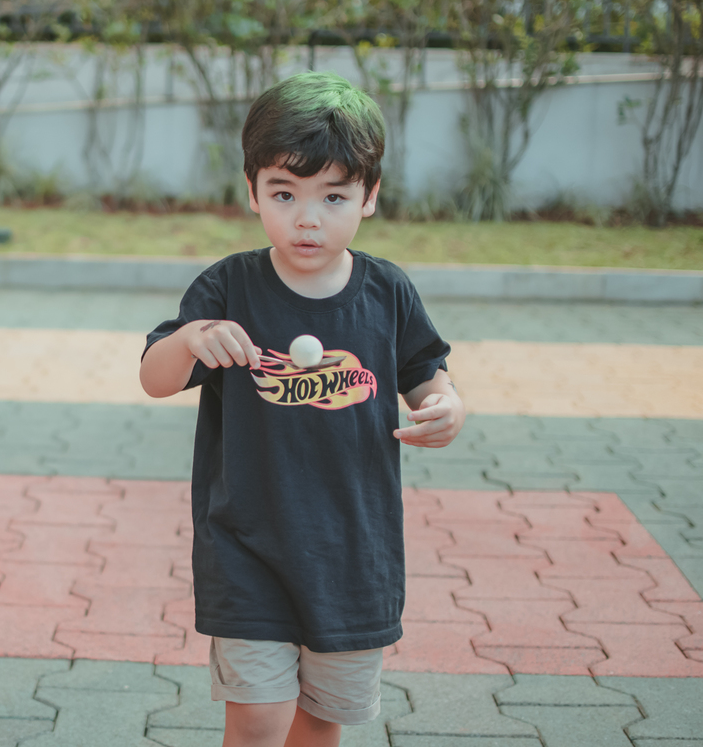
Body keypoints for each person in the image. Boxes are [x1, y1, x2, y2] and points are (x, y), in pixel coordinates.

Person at [139, 71, 465, 747]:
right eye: (284, 194)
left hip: (353, 554)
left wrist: (445, 405)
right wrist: (191, 339)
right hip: (246, 546)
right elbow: (154, 378)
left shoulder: (388, 293)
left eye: (334, 196)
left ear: (369, 197)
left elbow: (425, 374)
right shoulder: (229, 286)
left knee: (320, 721)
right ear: (252, 192)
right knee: (258, 718)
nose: (307, 217)